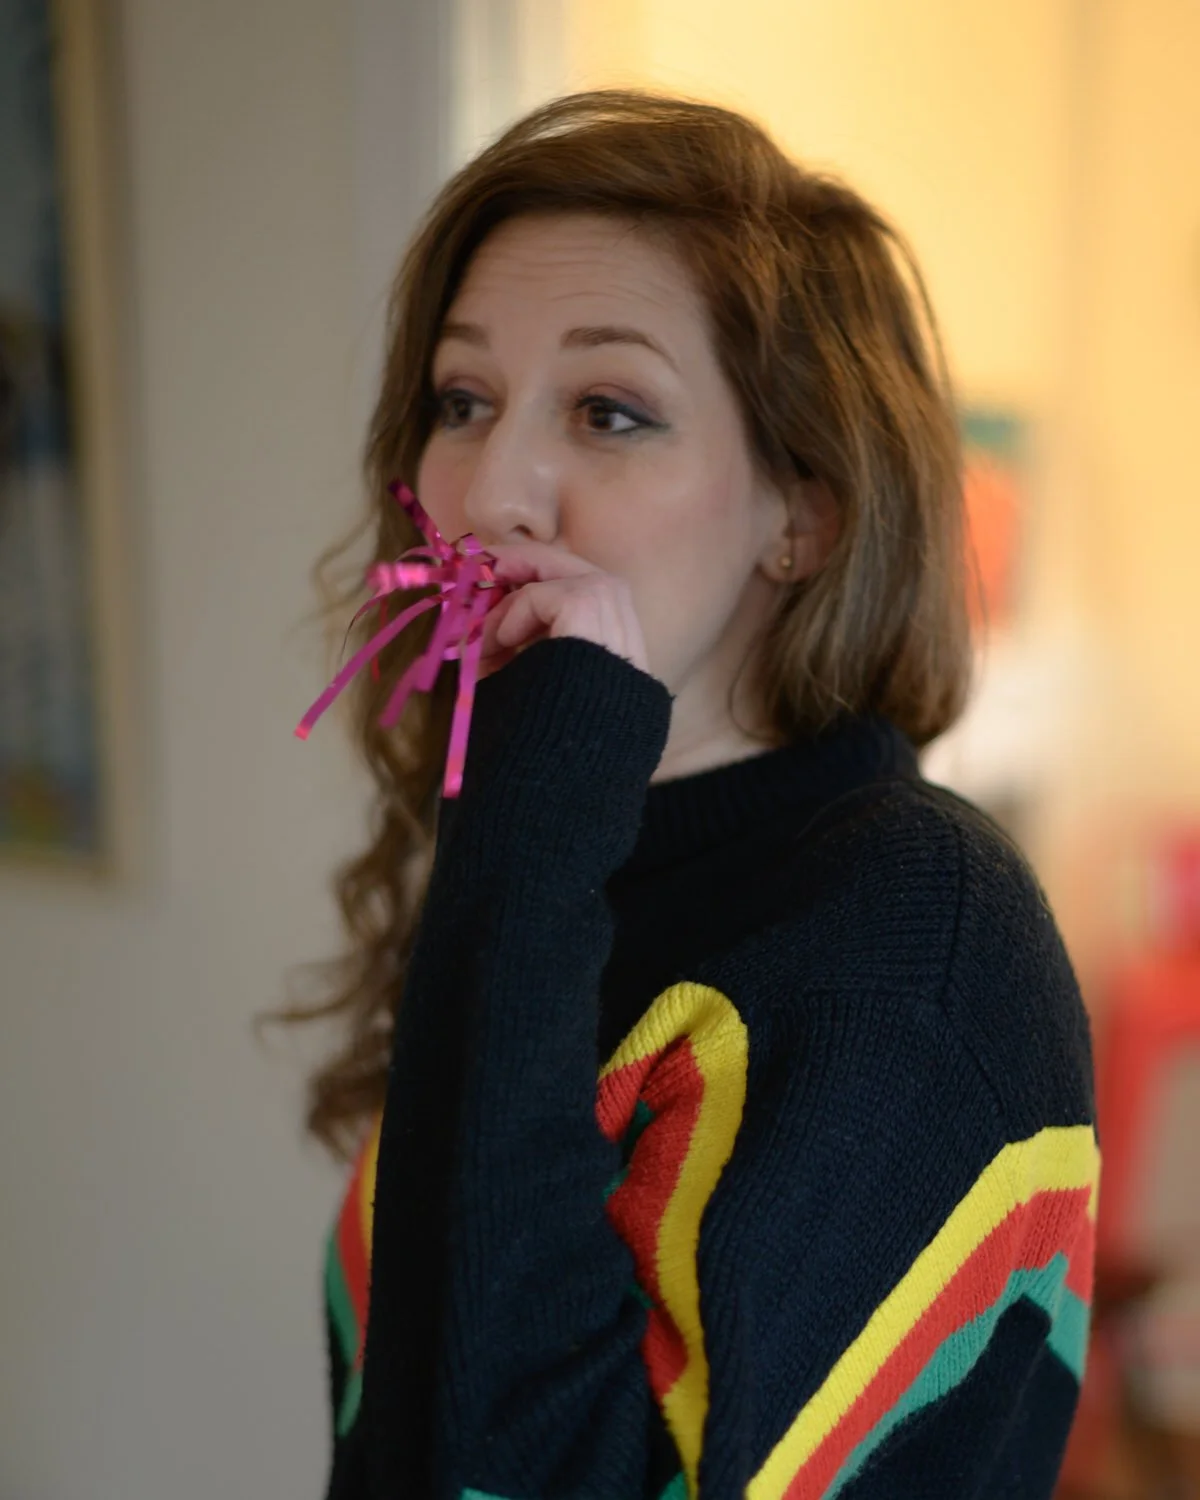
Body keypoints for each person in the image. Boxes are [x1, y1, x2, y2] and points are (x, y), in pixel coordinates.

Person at [287, 91, 1098, 1500]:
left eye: (610, 411)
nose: (491, 493)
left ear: (805, 512)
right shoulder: (566, 837)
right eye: (463, 401)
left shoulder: (917, 938)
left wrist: (531, 825)